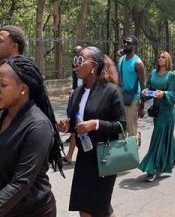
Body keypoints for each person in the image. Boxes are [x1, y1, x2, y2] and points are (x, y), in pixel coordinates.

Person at [59, 46, 126, 217]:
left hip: (104, 157)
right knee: (83, 206)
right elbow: (77, 120)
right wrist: (68, 125)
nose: (76, 64)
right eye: (75, 60)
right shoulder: (77, 93)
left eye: (80, 60)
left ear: (94, 65)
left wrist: (96, 124)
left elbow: (121, 125)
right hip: (85, 157)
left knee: (100, 208)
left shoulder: (111, 91)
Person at [0, 56, 64, 216]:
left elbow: (21, 183)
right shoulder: (3, 115)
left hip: (32, 211)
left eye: (2, 85)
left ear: (23, 88)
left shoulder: (38, 126)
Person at [140, 51, 175, 182]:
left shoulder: (171, 76)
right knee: (164, 134)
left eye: (163, 57)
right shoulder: (153, 73)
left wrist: (164, 94)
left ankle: (151, 168)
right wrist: (145, 93)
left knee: (157, 137)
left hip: (168, 111)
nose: (160, 59)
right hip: (157, 110)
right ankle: (174, 153)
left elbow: (174, 95)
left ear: (167, 60)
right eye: (159, 57)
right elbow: (148, 90)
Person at [118, 35, 146, 145]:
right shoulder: (121, 60)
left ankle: (133, 158)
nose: (125, 44)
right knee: (121, 128)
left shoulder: (138, 63)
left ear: (134, 45)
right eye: (124, 41)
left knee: (131, 129)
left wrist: (142, 105)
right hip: (122, 97)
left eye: (128, 42)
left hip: (133, 99)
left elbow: (143, 85)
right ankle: (123, 156)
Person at [64, 45, 84, 164]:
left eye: (77, 52)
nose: (75, 54)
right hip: (76, 94)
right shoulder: (75, 62)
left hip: (83, 97)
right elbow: (75, 79)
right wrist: (73, 90)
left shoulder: (86, 65)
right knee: (74, 123)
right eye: (74, 52)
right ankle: (70, 155)